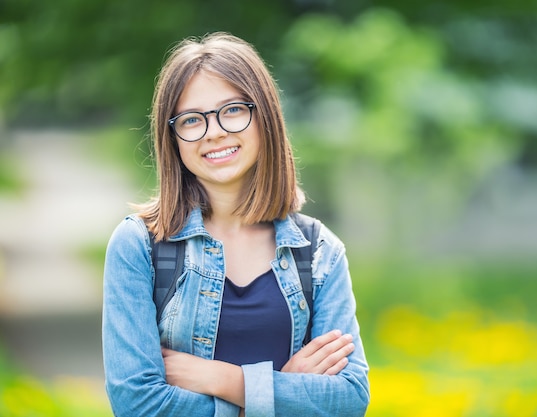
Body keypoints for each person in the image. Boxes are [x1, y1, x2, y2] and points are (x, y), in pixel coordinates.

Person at [102, 32, 370, 416]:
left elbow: (349, 398)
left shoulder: (317, 250)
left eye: (232, 110)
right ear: (172, 137)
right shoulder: (140, 245)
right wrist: (277, 395)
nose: (214, 132)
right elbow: (137, 404)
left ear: (265, 117)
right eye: (192, 120)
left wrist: (226, 381)